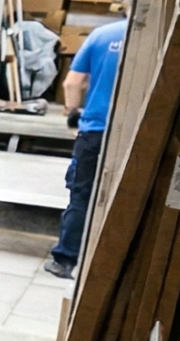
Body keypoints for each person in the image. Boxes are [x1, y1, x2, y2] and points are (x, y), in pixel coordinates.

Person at [47, 18, 128, 279]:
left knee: (82, 195)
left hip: (95, 129)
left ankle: (65, 260)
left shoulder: (102, 35)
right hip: (133, 131)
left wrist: (72, 113)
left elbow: (72, 82)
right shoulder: (158, 33)